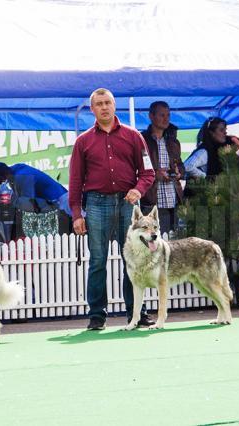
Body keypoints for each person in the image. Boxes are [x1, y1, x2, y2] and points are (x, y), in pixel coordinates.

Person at [69, 88, 155, 331]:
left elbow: (147, 172)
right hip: (95, 204)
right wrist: (77, 215)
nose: (104, 107)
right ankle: (97, 316)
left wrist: (138, 190)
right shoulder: (82, 141)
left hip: (128, 203)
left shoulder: (134, 136)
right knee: (97, 261)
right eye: (99, 104)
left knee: (134, 260)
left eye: (108, 102)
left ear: (114, 105)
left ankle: (137, 314)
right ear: (92, 109)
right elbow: (75, 182)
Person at [139, 101, 185, 234]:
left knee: (172, 244)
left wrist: (179, 172)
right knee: (152, 245)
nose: (166, 119)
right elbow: (135, 169)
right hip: (151, 202)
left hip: (173, 201)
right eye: (162, 115)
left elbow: (181, 165)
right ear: (151, 116)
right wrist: (155, 174)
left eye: (168, 115)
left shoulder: (173, 142)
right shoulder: (141, 140)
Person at [0, 162, 71, 217]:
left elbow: (29, 205)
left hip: (61, 202)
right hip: (61, 199)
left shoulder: (21, 176)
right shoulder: (16, 169)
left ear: (3, 174)